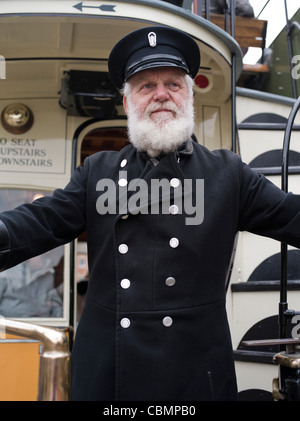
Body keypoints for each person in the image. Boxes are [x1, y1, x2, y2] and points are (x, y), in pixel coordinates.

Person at [0, 25, 300, 401]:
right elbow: (40, 222)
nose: (161, 95)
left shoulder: (228, 174)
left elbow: (292, 215)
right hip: (108, 372)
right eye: (146, 86)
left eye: (173, 84)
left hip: (193, 373)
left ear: (189, 95)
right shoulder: (97, 172)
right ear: (128, 103)